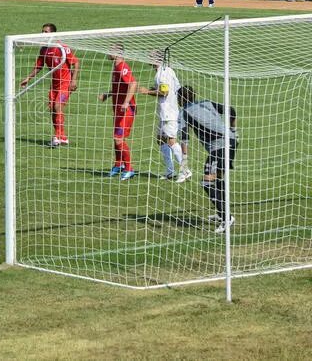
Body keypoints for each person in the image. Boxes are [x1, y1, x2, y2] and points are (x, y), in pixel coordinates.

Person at [177, 86, 237, 234]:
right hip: (232, 140)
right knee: (218, 179)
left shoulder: (184, 113)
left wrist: (184, 162)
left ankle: (226, 218)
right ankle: (222, 212)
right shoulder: (206, 103)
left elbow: (185, 138)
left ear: (181, 99)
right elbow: (232, 110)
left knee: (207, 181)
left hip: (220, 147)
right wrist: (234, 131)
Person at [19, 23, 79, 147]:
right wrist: (28, 78)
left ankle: (57, 136)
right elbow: (38, 67)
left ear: (53, 33)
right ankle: (62, 137)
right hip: (54, 86)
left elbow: (76, 63)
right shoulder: (44, 49)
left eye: (46, 32)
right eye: (42, 32)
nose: (43, 34)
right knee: (53, 110)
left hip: (65, 84)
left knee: (58, 106)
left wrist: (74, 80)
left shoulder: (62, 47)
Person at [138, 51, 190, 183]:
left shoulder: (163, 73)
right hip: (165, 111)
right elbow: (175, 88)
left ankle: (185, 170)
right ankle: (170, 171)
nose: (147, 59)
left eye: (150, 56)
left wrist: (147, 91)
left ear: (156, 59)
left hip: (169, 113)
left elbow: (164, 92)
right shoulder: (168, 71)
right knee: (160, 139)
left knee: (171, 140)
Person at [98, 43, 137, 181]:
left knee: (118, 139)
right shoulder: (116, 67)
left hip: (126, 110)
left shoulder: (122, 67)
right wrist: (108, 94)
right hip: (119, 109)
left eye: (109, 50)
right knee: (116, 139)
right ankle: (118, 165)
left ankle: (129, 169)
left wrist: (126, 102)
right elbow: (119, 88)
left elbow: (133, 84)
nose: (107, 52)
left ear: (117, 52)